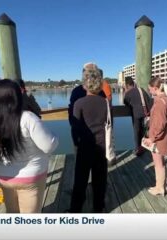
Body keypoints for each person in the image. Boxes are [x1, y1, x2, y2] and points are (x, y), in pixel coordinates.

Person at [0, 79, 58, 213]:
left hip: (2, 176)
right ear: (17, 97)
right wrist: (55, 136)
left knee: (12, 213)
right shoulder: (28, 118)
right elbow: (49, 146)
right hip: (30, 179)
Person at [69, 63, 109, 213]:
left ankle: (75, 210)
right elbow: (108, 123)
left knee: (80, 180)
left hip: (84, 147)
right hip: (101, 147)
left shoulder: (78, 103)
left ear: (85, 85)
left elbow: (75, 126)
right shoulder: (105, 103)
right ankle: (98, 208)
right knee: (100, 180)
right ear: (99, 85)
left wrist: (77, 142)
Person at [142, 77, 167, 196]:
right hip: (163, 138)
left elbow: (160, 124)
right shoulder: (166, 100)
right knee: (161, 163)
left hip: (159, 139)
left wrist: (151, 138)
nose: (149, 91)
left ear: (155, 88)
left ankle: (159, 188)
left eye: (150, 89)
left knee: (158, 164)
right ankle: (162, 186)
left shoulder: (161, 102)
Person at [68, 63, 106, 153]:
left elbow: (72, 116)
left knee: (83, 164)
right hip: (88, 138)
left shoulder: (77, 93)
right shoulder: (76, 92)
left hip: (91, 139)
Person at [123, 76, 153, 156]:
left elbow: (125, 103)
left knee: (136, 131)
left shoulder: (128, 93)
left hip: (135, 114)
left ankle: (137, 149)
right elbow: (148, 101)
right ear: (133, 83)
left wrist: (125, 92)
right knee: (143, 130)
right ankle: (143, 146)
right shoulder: (141, 89)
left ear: (126, 85)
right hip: (145, 113)